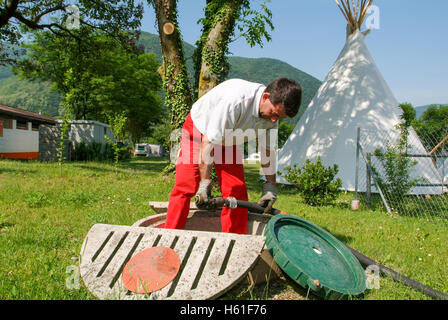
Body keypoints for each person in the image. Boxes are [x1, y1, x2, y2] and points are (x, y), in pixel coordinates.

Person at [164, 78, 302, 234]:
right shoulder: (235, 101)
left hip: (229, 137)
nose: (274, 120)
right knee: (186, 186)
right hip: (199, 130)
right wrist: (205, 184)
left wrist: (270, 188)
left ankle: (234, 240)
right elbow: (208, 143)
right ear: (265, 97)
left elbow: (267, 151)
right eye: (274, 113)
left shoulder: (272, 115)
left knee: (237, 191)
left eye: (279, 117)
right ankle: (168, 237)